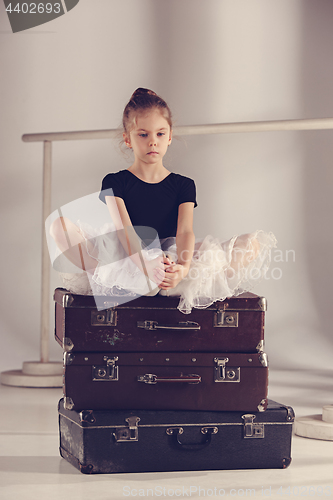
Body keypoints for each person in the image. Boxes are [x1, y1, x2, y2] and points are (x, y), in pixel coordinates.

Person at [50, 88, 276, 314]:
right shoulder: (115, 182)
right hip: (129, 254)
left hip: (171, 254)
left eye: (159, 134)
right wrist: (144, 264)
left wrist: (183, 268)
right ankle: (134, 281)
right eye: (143, 134)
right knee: (58, 227)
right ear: (127, 138)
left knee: (251, 244)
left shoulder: (183, 185)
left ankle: (171, 282)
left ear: (169, 137)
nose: (152, 142)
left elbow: (185, 232)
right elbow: (124, 229)